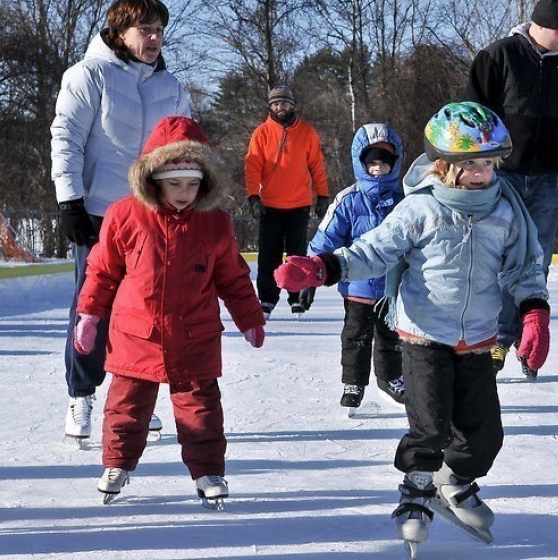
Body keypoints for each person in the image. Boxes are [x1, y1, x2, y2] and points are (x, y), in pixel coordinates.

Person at [273, 102, 550, 550]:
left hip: (477, 339)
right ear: (444, 164)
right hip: (423, 335)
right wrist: (324, 266)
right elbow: (372, 250)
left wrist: (534, 310)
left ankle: (453, 481)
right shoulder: (419, 208)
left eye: (488, 163)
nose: (481, 173)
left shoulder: (505, 210)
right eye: (470, 164)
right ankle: (416, 491)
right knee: (429, 426)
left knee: (485, 437)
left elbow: (524, 269)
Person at [73, 116, 266, 509]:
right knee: (126, 406)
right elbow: (102, 270)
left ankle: (208, 471)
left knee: (202, 409)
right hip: (135, 332)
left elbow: (232, 276)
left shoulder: (214, 223)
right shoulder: (125, 215)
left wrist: (249, 317)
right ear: (154, 178)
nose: (184, 193)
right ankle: (117, 464)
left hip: (194, 333)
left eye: (193, 183)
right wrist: (89, 314)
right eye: (175, 183)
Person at [51, 0, 191, 446]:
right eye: (145, 30)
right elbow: (67, 138)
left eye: (159, 31)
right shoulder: (88, 75)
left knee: (147, 309)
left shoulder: (170, 86)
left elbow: (187, 151)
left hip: (151, 218)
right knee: (92, 305)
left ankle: (130, 396)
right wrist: (70, 201)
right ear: (118, 31)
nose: (154, 39)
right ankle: (81, 392)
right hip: (97, 213)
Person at [466, 0, 558, 376]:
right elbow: (472, 117)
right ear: (540, 25)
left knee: (536, 262)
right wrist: (470, 168)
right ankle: (494, 339)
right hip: (499, 175)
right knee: (495, 258)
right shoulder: (498, 55)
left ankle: (526, 336)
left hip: (544, 180)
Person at [308, 123, 405, 410]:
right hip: (357, 286)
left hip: (391, 288)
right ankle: (353, 382)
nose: (378, 169)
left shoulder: (404, 200)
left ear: (395, 164)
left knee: (391, 336)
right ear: (361, 164)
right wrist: (310, 272)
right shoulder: (348, 200)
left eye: (384, 163)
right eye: (372, 163)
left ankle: (391, 377)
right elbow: (325, 238)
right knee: (356, 337)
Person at [245, 85, 329, 320]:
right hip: (269, 205)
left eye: (284, 103)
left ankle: (296, 297)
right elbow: (252, 167)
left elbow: (317, 166)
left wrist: (322, 195)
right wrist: (253, 196)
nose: (280, 107)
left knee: (297, 255)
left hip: (298, 205)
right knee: (268, 255)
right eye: (275, 104)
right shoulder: (261, 133)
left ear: (293, 105)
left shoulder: (307, 133)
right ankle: (267, 299)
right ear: (270, 107)